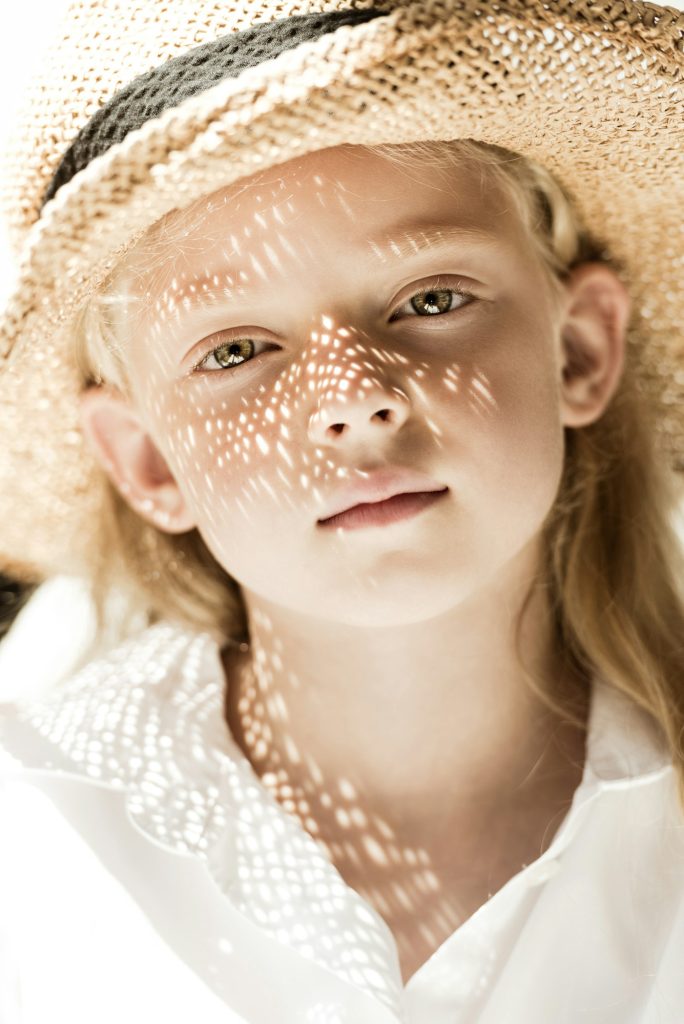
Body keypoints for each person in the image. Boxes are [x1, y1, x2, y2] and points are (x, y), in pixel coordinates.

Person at [0, 1, 683, 1021]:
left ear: (579, 347)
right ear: (147, 460)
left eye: (431, 297)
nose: (354, 393)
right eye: (236, 350)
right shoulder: (35, 841)